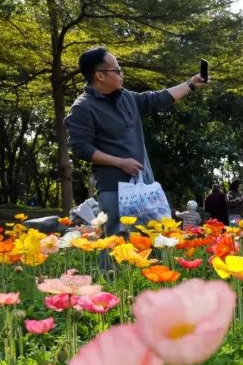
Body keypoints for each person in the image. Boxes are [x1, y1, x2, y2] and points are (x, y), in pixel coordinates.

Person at [65, 46, 206, 245]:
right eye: (117, 70)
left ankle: (148, 276)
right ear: (100, 76)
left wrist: (190, 84)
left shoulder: (126, 98)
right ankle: (110, 276)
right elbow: (81, 148)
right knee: (116, 241)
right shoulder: (82, 107)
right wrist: (120, 163)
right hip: (114, 188)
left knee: (151, 237)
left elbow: (158, 98)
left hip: (143, 185)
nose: (121, 74)